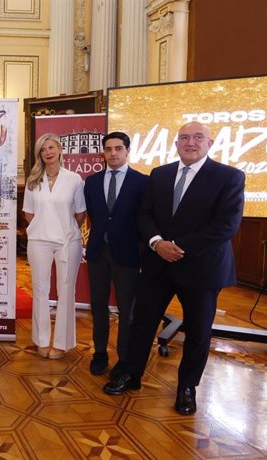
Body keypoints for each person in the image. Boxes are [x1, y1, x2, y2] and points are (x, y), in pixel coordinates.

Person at [103, 121, 245, 416]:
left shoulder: (229, 177)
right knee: (141, 323)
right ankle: (131, 374)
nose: (190, 142)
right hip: (158, 264)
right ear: (176, 143)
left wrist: (176, 246)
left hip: (201, 269)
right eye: (183, 138)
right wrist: (156, 243)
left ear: (210, 142)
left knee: (198, 331)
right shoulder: (161, 174)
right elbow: (144, 214)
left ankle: (187, 387)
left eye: (197, 137)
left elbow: (225, 226)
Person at [84, 132, 148, 375]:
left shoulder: (142, 182)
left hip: (128, 254)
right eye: (108, 149)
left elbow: (143, 217)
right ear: (103, 152)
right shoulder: (91, 182)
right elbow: (94, 214)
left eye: (118, 148)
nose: (113, 153)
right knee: (98, 306)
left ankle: (124, 358)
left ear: (127, 151)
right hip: (98, 253)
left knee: (126, 310)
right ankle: (100, 353)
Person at [22, 133, 86, 359]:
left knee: (66, 290)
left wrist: (63, 228)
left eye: (51, 147)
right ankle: (40, 340)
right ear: (39, 154)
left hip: (68, 241)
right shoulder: (33, 180)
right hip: (39, 240)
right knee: (39, 290)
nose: (47, 152)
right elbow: (29, 213)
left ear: (59, 150)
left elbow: (80, 213)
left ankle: (61, 343)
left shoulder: (74, 179)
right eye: (43, 149)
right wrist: (44, 226)